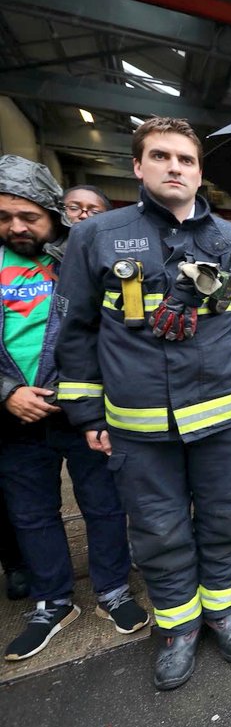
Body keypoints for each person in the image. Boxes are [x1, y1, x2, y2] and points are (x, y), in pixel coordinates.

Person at [56, 118, 231, 690]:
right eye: (160, 156)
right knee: (157, 527)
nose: (174, 167)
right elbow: (75, 330)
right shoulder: (96, 237)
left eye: (185, 159)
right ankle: (178, 627)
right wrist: (85, 411)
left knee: (228, 519)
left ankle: (224, 614)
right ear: (137, 166)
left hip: (224, 417)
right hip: (137, 423)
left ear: (200, 172)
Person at [0, 155, 147, 662]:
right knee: (32, 513)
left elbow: (109, 328)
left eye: (28, 217)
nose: (17, 227)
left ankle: (112, 590)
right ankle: (52, 601)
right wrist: (7, 393)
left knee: (104, 503)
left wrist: (79, 393)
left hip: (82, 408)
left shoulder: (79, 258)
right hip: (14, 417)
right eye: (4, 217)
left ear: (51, 213)